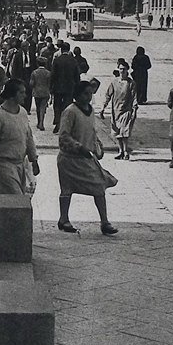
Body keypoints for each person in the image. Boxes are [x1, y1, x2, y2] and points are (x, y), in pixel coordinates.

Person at [57, 79, 118, 235]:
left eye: (91, 94)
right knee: (66, 189)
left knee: (99, 186)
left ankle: (105, 222)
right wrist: (79, 147)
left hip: (86, 158)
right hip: (69, 159)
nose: (89, 97)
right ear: (77, 95)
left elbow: (92, 131)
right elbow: (63, 135)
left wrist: (98, 147)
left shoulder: (90, 110)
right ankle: (64, 219)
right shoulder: (70, 111)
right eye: (85, 94)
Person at [0, 79, 40, 195]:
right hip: (3, 165)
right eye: (21, 93)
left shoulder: (22, 112)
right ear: (12, 95)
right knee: (14, 199)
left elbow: (28, 137)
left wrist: (34, 159)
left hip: (20, 164)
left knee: (20, 201)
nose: (25, 95)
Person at [100, 64, 138, 160]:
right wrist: (103, 107)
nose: (122, 71)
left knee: (124, 131)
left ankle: (125, 152)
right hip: (115, 110)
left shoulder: (131, 83)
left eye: (124, 69)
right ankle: (120, 151)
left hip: (126, 110)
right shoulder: (114, 82)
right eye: (120, 69)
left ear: (127, 70)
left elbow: (134, 97)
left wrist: (134, 109)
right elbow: (108, 95)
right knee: (117, 132)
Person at [50, 41, 80, 132]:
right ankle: (66, 125)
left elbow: (53, 75)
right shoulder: (73, 61)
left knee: (57, 105)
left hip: (58, 87)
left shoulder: (57, 60)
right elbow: (76, 76)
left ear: (61, 50)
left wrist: (51, 87)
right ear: (69, 49)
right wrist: (77, 88)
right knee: (67, 106)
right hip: (69, 88)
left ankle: (58, 123)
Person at [29, 56, 51, 131]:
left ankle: (39, 122)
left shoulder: (34, 72)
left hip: (37, 92)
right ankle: (41, 122)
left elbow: (31, 83)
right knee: (43, 107)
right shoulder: (48, 73)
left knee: (38, 108)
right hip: (45, 92)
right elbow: (50, 84)